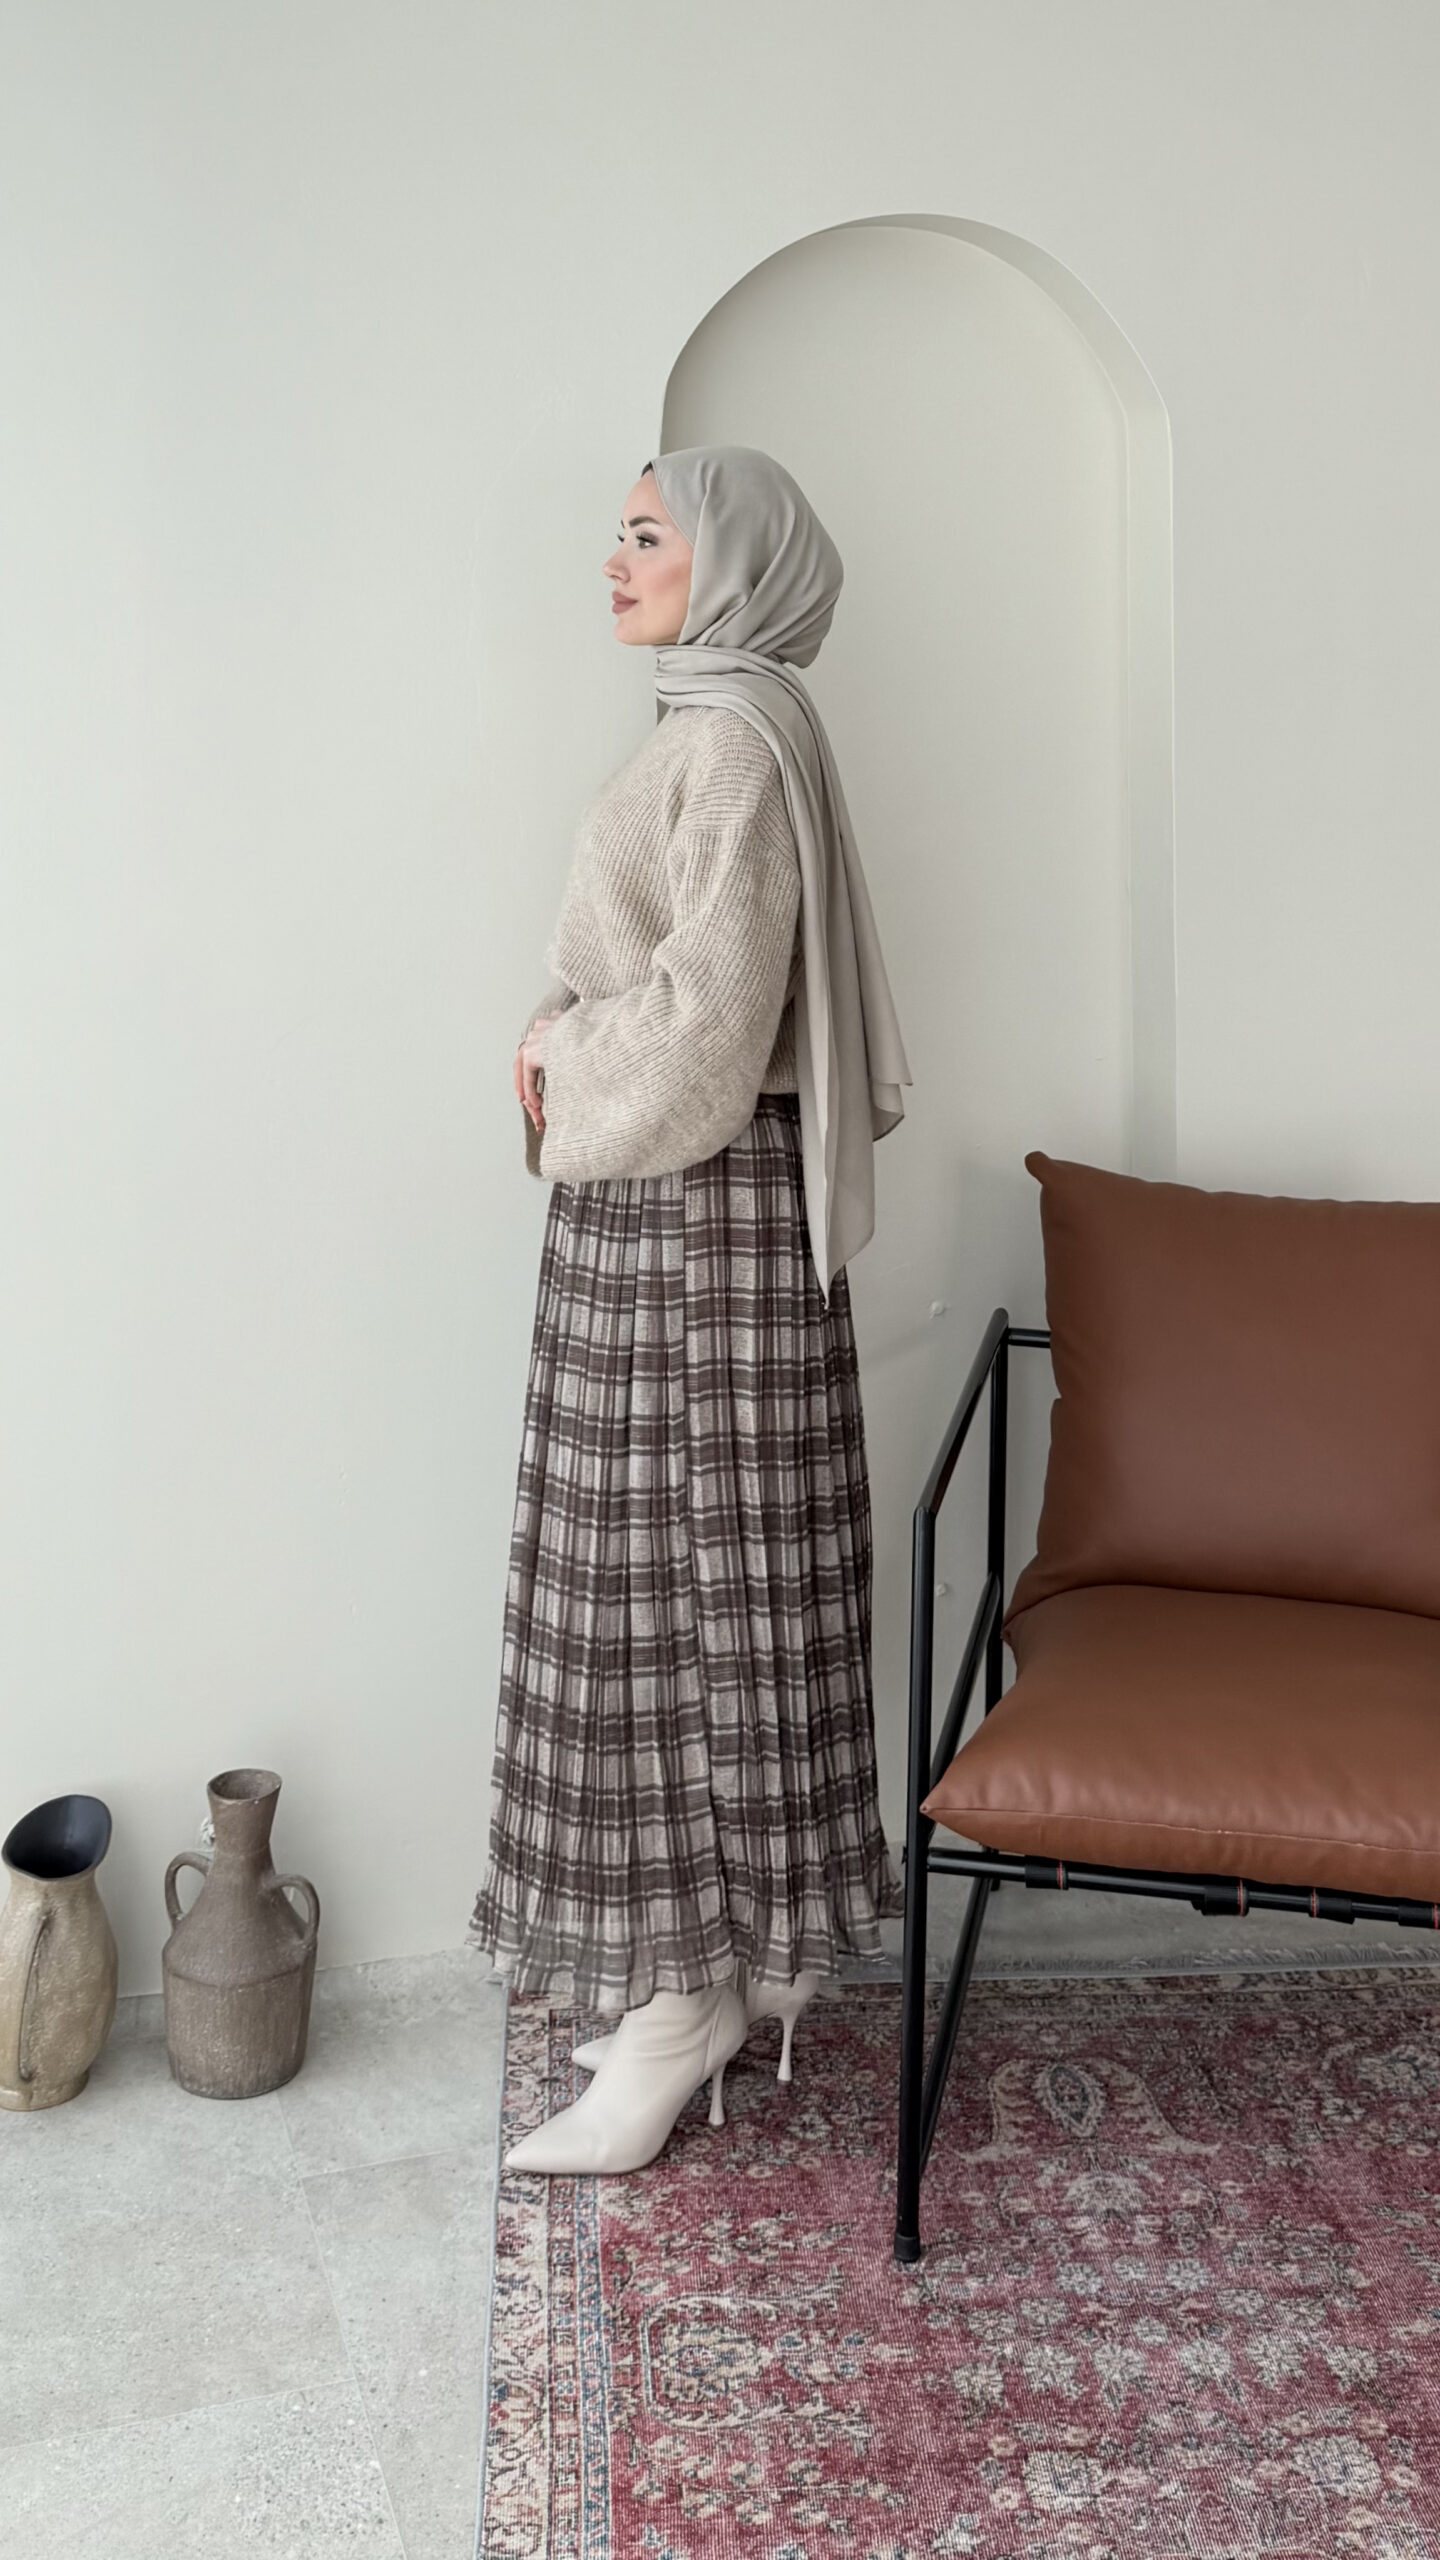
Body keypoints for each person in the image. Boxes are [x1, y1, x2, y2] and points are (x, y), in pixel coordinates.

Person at [467, 444, 913, 2175]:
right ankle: (701, 1985)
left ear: (733, 565)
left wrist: (554, 1053)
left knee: (665, 1597)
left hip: (690, 1226)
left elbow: (710, 1026)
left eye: (648, 534)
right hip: (670, 1212)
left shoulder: (731, 742)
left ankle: (677, 2013)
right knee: (676, 1588)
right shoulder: (717, 725)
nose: (616, 558)